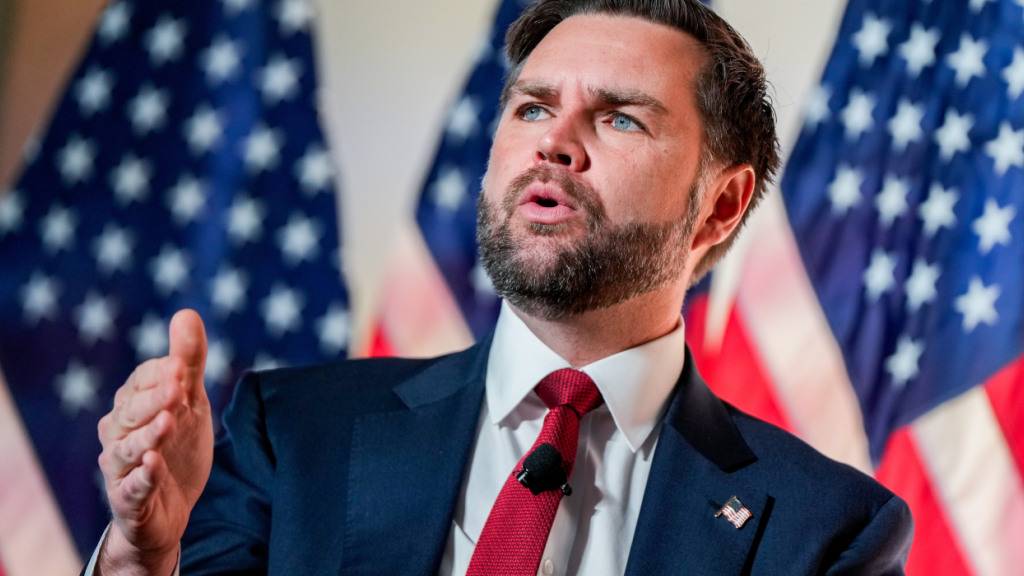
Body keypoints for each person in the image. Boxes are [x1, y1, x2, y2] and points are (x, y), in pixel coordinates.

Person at [88, 0, 913, 574]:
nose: (554, 142)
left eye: (620, 118)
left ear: (720, 205)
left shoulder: (828, 532)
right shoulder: (296, 433)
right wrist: (140, 559)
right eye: (530, 108)